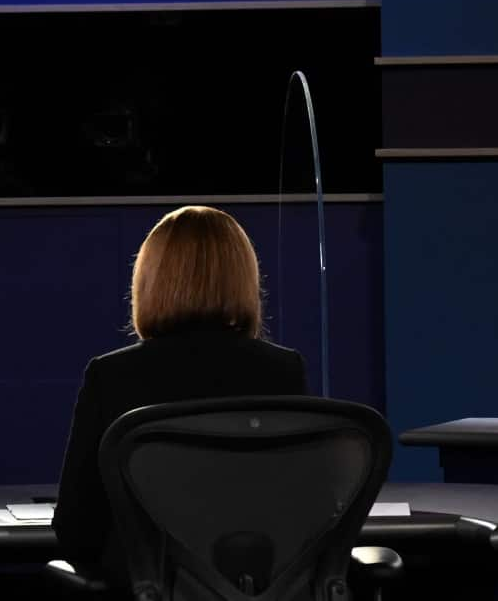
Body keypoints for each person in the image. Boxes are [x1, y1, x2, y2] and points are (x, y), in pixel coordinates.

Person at [53, 205, 310, 580]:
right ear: (245, 279)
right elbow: (300, 509)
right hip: (255, 585)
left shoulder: (112, 375)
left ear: (150, 280)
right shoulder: (283, 370)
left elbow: (76, 526)